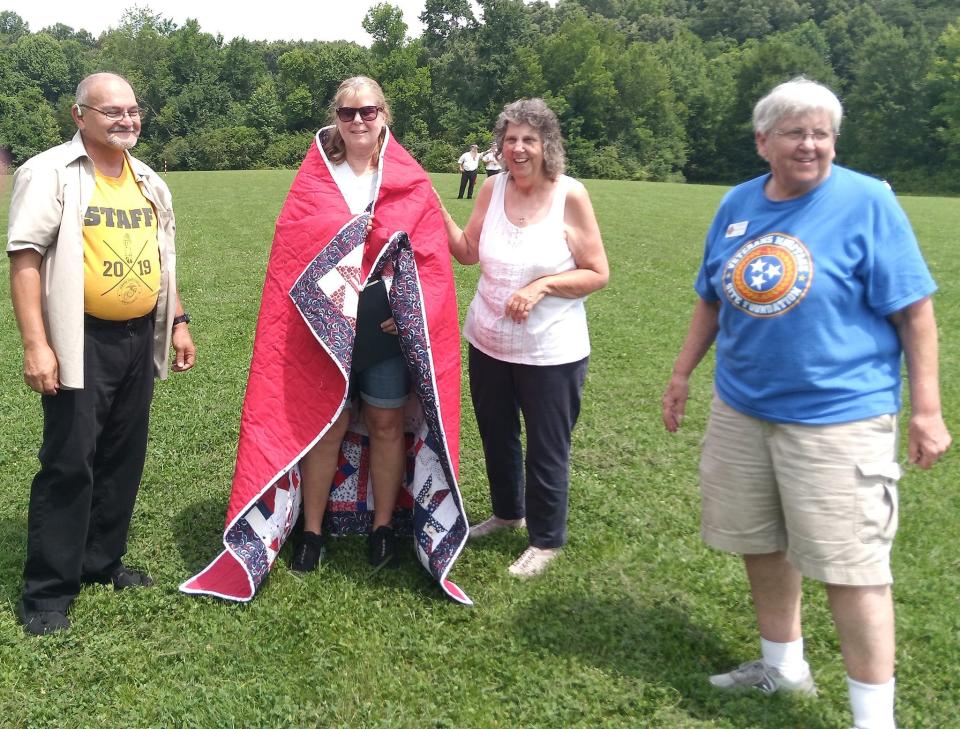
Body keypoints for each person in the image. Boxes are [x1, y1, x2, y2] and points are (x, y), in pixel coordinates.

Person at [661, 77, 950, 729]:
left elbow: (915, 310)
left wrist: (927, 410)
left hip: (839, 417)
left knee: (853, 568)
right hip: (742, 407)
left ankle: (875, 720)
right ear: (763, 141)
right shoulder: (737, 204)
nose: (811, 144)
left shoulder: (868, 200)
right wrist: (682, 373)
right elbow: (711, 297)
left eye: (822, 132)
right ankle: (783, 664)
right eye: (795, 131)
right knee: (760, 541)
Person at [181, 76, 471, 605]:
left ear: (384, 113)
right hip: (324, 334)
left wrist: (406, 312)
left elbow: (430, 261)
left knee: (387, 422)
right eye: (347, 111)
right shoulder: (317, 177)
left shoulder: (408, 177)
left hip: (386, 336)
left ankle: (384, 527)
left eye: (367, 110)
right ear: (335, 116)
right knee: (325, 425)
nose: (358, 120)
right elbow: (292, 252)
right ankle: (311, 531)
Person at [7, 72, 196, 636]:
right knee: (70, 462)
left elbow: (163, 259)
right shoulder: (49, 173)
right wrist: (37, 346)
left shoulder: (149, 181)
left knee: (122, 455)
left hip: (138, 336)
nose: (126, 120)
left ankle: (99, 562)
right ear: (79, 116)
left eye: (133, 110)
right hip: (78, 337)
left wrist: (178, 321)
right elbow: (24, 261)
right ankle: (47, 591)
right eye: (111, 111)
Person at [438, 98, 609, 578]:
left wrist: (542, 286)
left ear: (547, 144)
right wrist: (433, 209)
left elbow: (598, 273)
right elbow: (469, 252)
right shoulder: (492, 188)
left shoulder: (569, 195)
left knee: (547, 445)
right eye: (510, 139)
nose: (517, 148)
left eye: (528, 139)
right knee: (496, 435)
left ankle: (546, 539)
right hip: (488, 340)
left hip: (551, 350)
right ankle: (507, 513)